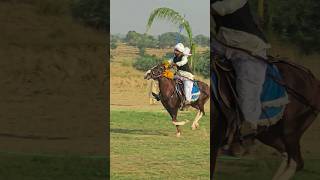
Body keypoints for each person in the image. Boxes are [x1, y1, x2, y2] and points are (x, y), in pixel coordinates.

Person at [211, 0, 271, 134]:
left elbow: (223, 8)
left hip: (247, 45)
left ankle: (248, 126)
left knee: (247, 83)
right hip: (221, 43)